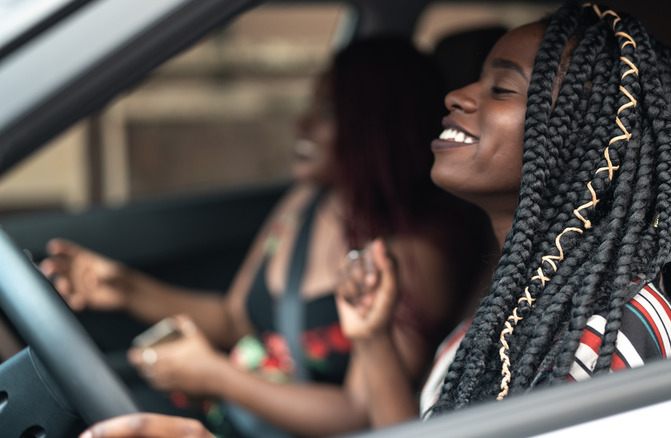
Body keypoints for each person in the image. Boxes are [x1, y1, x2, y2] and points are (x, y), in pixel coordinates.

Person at [77, 1, 671, 436]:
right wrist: (375, 340)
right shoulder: (516, 299)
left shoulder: (606, 336)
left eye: (502, 88)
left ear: (580, 139)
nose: (457, 96)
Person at [44, 36, 492, 438]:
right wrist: (125, 288)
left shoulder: (413, 255)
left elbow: (360, 413)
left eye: (328, 111)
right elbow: (236, 318)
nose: (302, 125)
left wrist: (218, 376)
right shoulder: (305, 204)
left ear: (377, 125)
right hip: (222, 416)